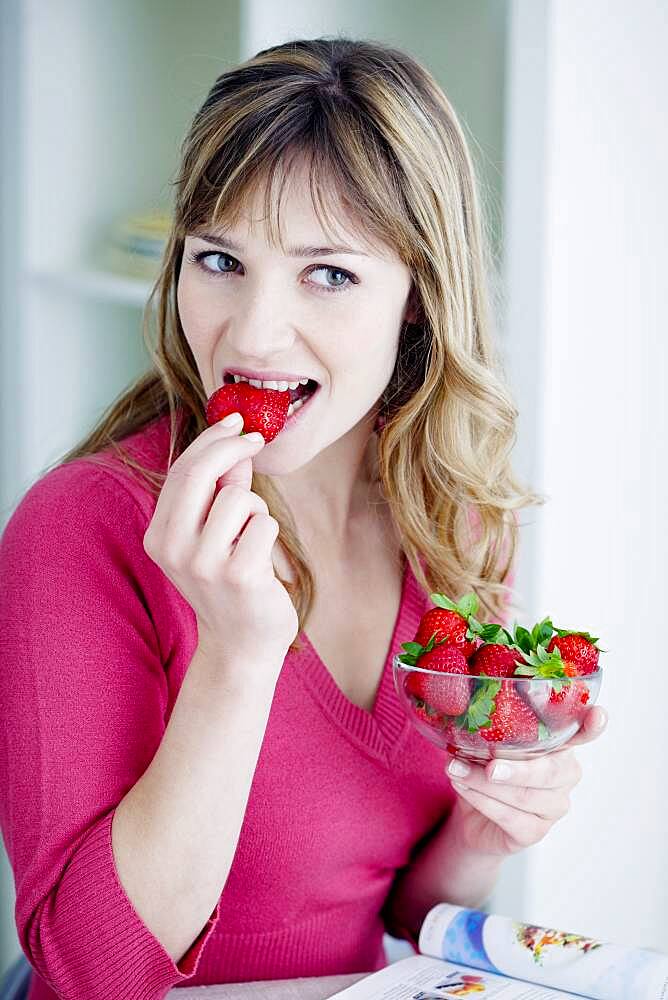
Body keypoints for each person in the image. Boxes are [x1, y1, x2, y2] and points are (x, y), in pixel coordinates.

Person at [0, 36, 607, 1000]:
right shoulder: (82, 526)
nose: (250, 332)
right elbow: (87, 975)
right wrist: (237, 656)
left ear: (419, 298)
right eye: (219, 259)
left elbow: (398, 918)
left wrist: (482, 831)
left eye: (328, 273)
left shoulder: (455, 520)